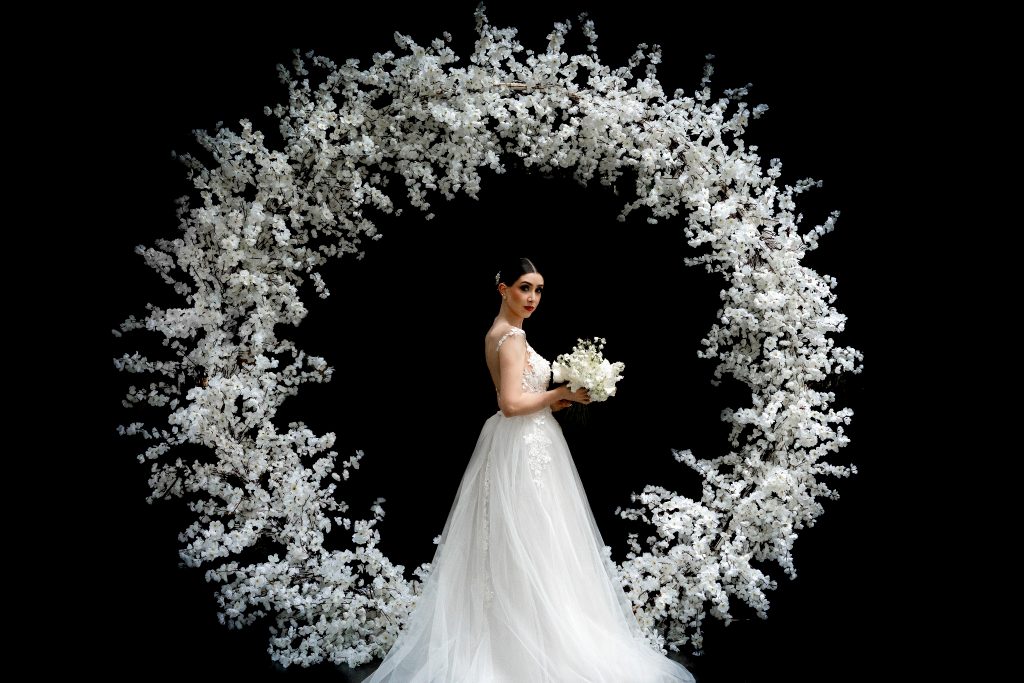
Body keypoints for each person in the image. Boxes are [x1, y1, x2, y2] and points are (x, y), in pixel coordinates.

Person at [362, 258, 695, 682]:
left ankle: (525, 634)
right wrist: (562, 392)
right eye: (524, 288)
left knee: (530, 537)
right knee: (532, 535)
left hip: (525, 441)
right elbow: (510, 404)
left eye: (538, 290)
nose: (533, 297)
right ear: (502, 289)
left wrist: (557, 400)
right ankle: (527, 647)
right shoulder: (511, 337)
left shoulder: (500, 334)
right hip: (522, 443)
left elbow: (518, 393)